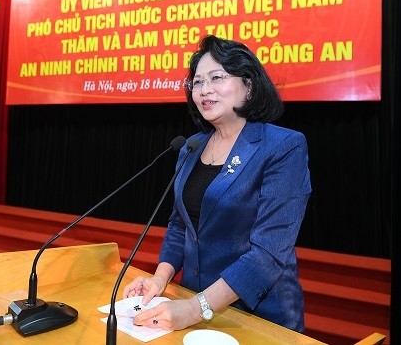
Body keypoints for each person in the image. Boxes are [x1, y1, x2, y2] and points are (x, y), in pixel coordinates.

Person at [122, 35, 311, 332]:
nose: (204, 90)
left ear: (248, 85)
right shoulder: (191, 147)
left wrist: (196, 309)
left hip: (258, 317)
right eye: (197, 82)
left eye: (216, 78)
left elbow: (269, 254)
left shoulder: (282, 146)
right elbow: (179, 226)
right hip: (190, 304)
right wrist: (159, 279)